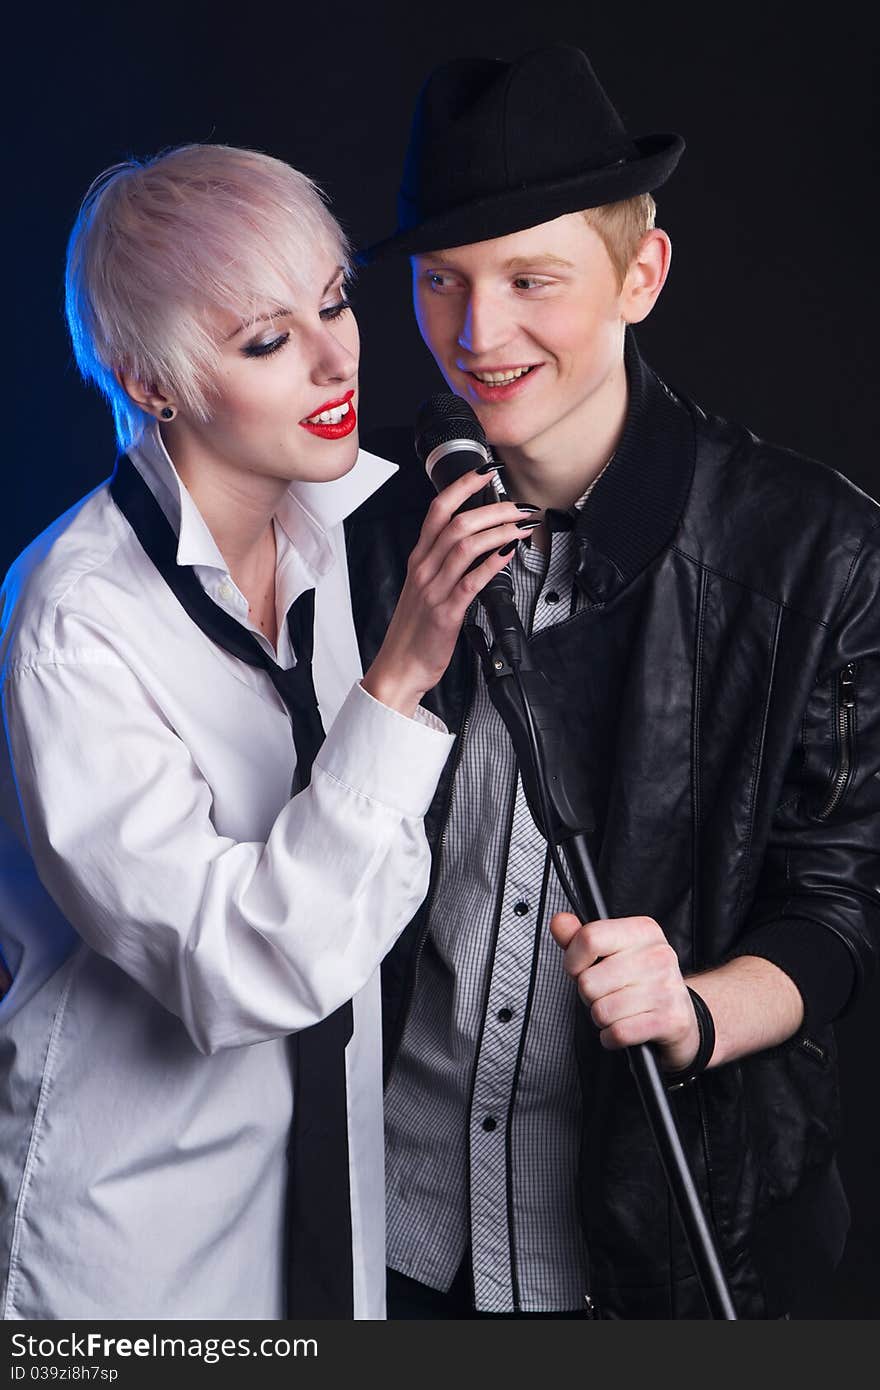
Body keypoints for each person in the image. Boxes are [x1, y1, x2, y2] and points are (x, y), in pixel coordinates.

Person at [346, 44, 880, 1319]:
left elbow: (841, 903)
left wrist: (693, 1008)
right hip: (388, 1238)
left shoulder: (817, 552)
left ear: (640, 274)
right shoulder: (365, 530)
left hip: (660, 1262)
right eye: (441, 283)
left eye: (533, 279)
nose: (478, 336)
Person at [0, 143, 534, 1320]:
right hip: (133, 1246)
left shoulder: (344, 528)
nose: (337, 358)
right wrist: (393, 689)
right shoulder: (72, 623)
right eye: (265, 339)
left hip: (327, 1221)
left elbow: (385, 882)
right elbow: (234, 968)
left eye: (336, 301)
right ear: (152, 381)